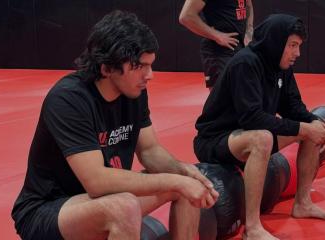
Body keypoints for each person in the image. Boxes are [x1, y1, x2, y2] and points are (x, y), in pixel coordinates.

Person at [11, 10, 218, 240]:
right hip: (48, 210)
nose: (150, 75)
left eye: (151, 65)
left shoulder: (134, 92)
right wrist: (175, 180)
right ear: (107, 68)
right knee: (124, 207)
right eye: (140, 66)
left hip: (102, 199)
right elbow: (97, 181)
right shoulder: (68, 99)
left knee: (185, 184)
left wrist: (183, 172)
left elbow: (150, 150)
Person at [193, 14, 325, 240]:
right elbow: (251, 118)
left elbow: (293, 107)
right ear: (276, 40)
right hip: (216, 140)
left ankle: (303, 203)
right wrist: (303, 128)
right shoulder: (246, 63)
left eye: (298, 46)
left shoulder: (281, 65)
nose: (297, 53)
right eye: (292, 45)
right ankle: (252, 228)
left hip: (247, 134)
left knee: (313, 128)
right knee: (262, 138)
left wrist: (316, 123)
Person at [179, 0, 254, 89]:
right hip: (219, 51)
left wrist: (249, 31)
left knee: (243, 94)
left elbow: (248, 5)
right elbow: (186, 16)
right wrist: (216, 35)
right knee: (223, 97)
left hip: (239, 47)